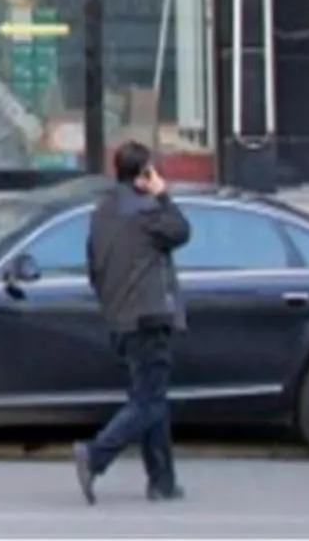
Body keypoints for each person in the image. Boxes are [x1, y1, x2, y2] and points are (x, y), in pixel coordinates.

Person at [74, 140, 191, 505]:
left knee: (150, 397)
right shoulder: (148, 212)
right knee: (150, 401)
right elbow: (182, 230)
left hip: (120, 319)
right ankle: (95, 455)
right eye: (152, 171)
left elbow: (93, 267)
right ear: (143, 175)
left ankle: (163, 481)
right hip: (149, 317)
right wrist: (164, 195)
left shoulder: (102, 212)